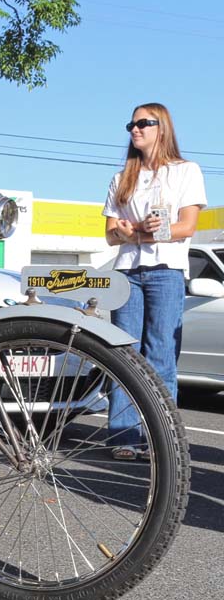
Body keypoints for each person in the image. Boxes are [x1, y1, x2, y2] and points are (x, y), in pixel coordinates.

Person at [103, 103, 207, 460]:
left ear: (161, 127)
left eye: (143, 123)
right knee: (124, 353)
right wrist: (131, 232)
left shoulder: (186, 171)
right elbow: (110, 234)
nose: (135, 129)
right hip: (127, 271)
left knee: (161, 353)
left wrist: (142, 232)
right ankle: (123, 436)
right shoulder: (121, 177)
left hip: (167, 270)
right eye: (131, 124)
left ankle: (160, 440)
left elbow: (186, 227)